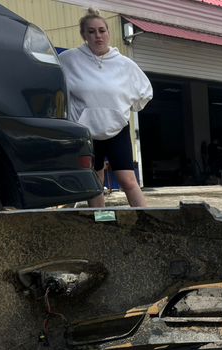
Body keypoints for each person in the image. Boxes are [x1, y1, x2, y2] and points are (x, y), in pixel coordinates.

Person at [60, 8, 152, 207]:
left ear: (108, 32)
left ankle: (147, 224)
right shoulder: (69, 60)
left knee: (128, 181)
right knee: (95, 183)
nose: (98, 36)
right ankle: (101, 224)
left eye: (102, 30)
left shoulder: (124, 65)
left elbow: (145, 92)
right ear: (84, 35)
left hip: (117, 129)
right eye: (91, 31)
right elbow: (55, 87)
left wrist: (123, 109)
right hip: (86, 131)